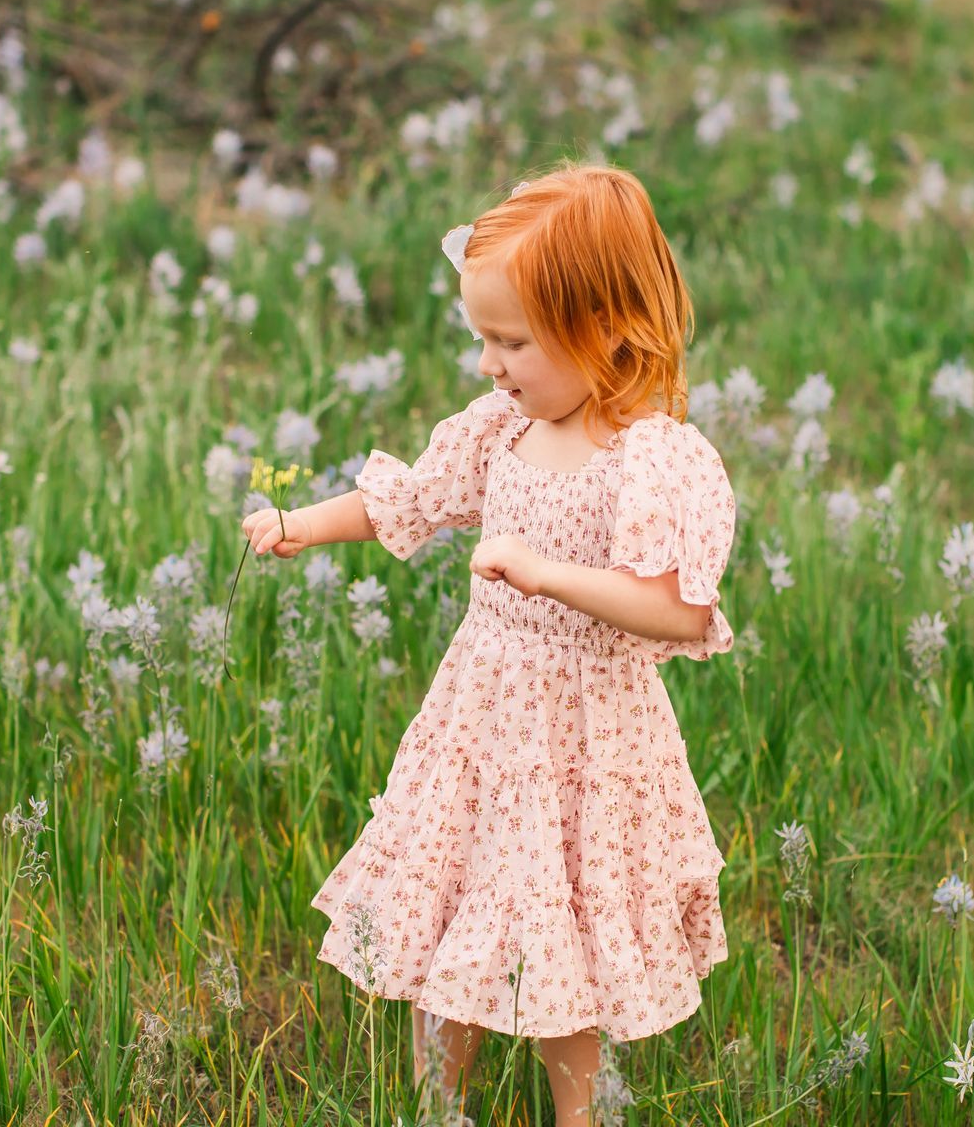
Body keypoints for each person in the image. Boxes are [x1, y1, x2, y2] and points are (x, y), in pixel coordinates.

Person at [242, 161, 736, 1123]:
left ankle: (577, 1112)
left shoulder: (649, 459)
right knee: (453, 897)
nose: (489, 364)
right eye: (482, 339)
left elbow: (677, 609)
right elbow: (410, 499)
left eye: (511, 341)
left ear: (605, 328)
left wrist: (550, 574)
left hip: (589, 740)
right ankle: (441, 1106)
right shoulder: (501, 430)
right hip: (481, 720)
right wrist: (301, 523)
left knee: (568, 926)